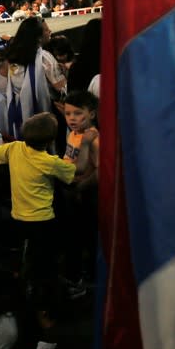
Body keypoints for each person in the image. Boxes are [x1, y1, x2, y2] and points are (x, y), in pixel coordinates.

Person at [0, 113, 76, 292]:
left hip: (18, 215)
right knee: (45, 257)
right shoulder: (50, 162)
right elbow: (74, 172)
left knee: (29, 251)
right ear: (50, 141)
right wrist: (84, 145)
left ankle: (25, 281)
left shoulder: (15, 148)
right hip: (42, 219)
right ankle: (44, 288)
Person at [60, 91, 99, 297]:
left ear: (91, 114)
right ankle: (78, 273)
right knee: (74, 235)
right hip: (71, 192)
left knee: (88, 236)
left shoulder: (93, 139)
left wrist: (81, 188)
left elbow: (101, 172)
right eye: (68, 114)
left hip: (86, 195)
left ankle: (90, 276)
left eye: (77, 113)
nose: (72, 118)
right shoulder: (72, 134)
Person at [4, 18, 65, 140]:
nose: (50, 31)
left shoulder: (12, 58)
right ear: (38, 37)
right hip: (44, 112)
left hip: (18, 112)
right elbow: (61, 88)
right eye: (47, 30)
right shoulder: (44, 58)